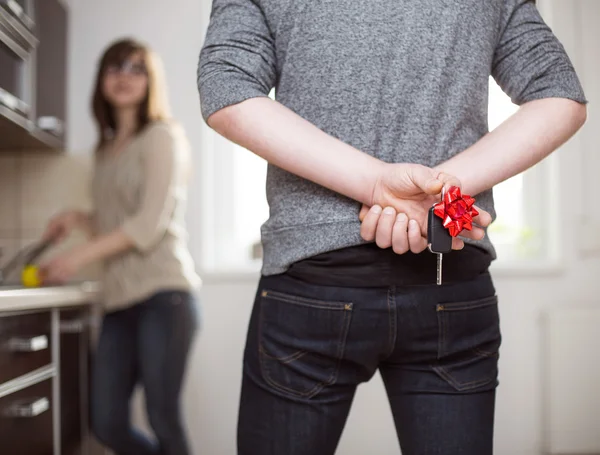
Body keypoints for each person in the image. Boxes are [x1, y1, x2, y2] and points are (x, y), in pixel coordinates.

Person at [198, 0, 587, 453]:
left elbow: (226, 86)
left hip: (315, 278)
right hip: (448, 261)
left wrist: (382, 185)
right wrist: (440, 194)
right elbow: (561, 96)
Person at [41, 38, 200, 455]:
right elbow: (116, 223)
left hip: (164, 297)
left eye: (136, 68)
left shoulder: (163, 137)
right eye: (115, 67)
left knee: (164, 418)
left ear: (151, 82)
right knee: (106, 422)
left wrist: (74, 257)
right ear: (102, 80)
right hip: (118, 302)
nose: (124, 76)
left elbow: (147, 225)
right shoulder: (105, 150)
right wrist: (78, 219)